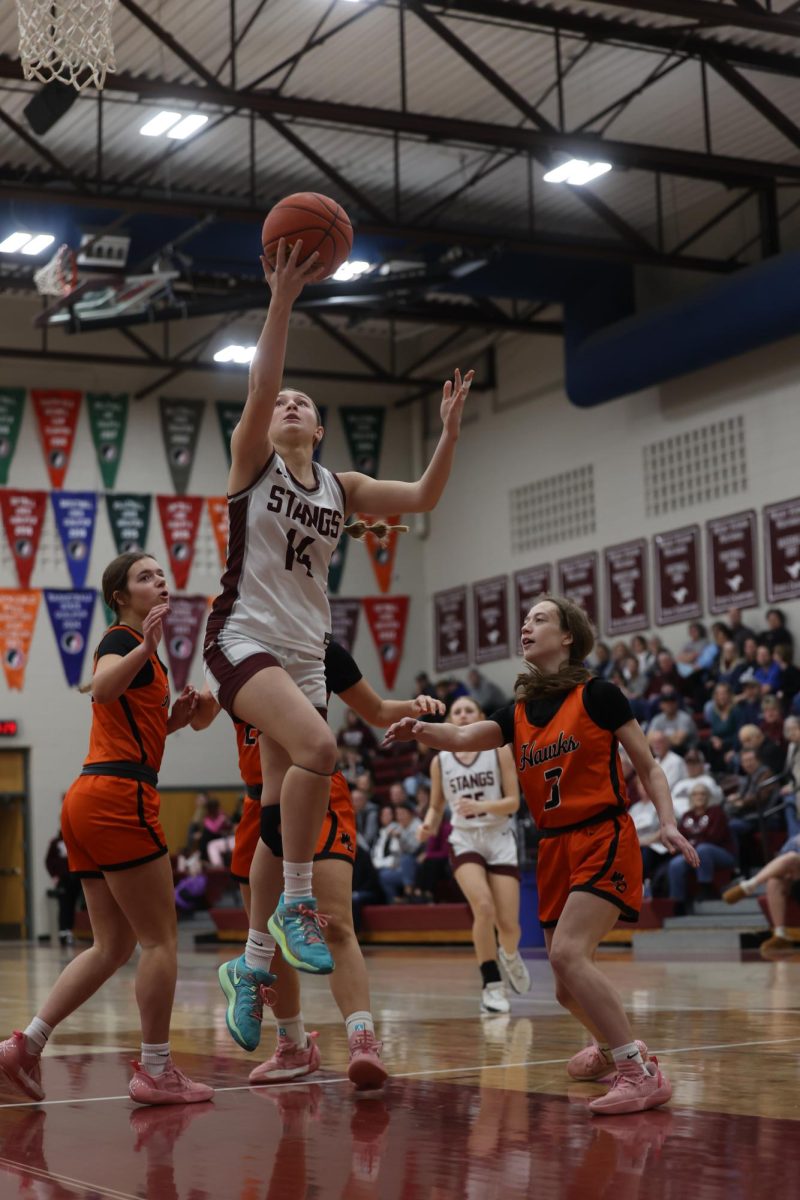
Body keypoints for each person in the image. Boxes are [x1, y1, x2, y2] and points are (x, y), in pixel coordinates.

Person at [201, 235, 472, 993]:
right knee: (322, 750)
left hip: (304, 655)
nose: (288, 403)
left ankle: (251, 966)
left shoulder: (339, 487)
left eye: (303, 405)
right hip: (242, 637)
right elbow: (260, 389)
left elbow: (420, 497)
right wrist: (282, 300)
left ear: (319, 431)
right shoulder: (251, 463)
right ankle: (294, 907)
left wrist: (447, 436)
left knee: (270, 808)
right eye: (284, 399)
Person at [384, 594, 698, 1115]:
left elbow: (649, 764)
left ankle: (636, 1071)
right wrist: (419, 730)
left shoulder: (599, 695)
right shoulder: (520, 712)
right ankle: (613, 1044)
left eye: (539, 618)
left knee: (567, 955)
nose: (526, 625)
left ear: (568, 635)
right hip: (554, 847)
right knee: (564, 985)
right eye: (525, 618)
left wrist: (666, 820)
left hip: (602, 834)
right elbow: (463, 734)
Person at [0, 552, 212, 1106]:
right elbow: (101, 689)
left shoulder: (145, 655)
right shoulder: (123, 640)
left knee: (111, 944)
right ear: (120, 595)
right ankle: (157, 1070)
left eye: (161, 574)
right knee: (160, 941)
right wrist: (144, 647)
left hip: (90, 797)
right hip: (119, 797)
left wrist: (178, 720)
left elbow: (133, 725)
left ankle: (25, 1045)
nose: (159, 581)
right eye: (145, 576)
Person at [192, 639, 443, 1087]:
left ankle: (362, 1039)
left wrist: (416, 705)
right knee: (272, 935)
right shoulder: (231, 646)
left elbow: (378, 709)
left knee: (334, 921)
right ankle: (292, 1046)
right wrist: (188, 705)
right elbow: (200, 718)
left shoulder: (320, 647)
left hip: (316, 790)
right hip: (259, 804)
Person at [419, 695, 529, 1015]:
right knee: (483, 906)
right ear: (450, 720)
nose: (464, 714)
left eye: (469, 709)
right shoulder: (440, 760)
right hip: (465, 839)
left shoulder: (498, 750)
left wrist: (480, 806)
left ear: (481, 715)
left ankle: (509, 955)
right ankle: (492, 984)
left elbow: (513, 802)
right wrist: (428, 824)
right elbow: (437, 805)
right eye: (457, 711)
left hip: (499, 836)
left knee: (510, 925)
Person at [723, 833, 800, 954]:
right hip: (796, 881)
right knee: (774, 881)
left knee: (792, 858)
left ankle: (749, 885)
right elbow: (780, 860)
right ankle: (780, 935)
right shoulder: (795, 839)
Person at [667, 784, 737, 912]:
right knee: (675, 864)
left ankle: (706, 887)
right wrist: (684, 846)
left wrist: (690, 845)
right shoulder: (687, 815)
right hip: (694, 852)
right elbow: (681, 838)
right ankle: (678, 903)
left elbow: (714, 837)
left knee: (703, 849)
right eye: (695, 794)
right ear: (690, 798)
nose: (699, 797)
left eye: (702, 794)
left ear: (709, 797)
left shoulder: (716, 812)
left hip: (721, 853)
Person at [45, 821, 82, 948]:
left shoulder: (74, 842)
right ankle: (62, 932)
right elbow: (49, 861)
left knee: (72, 905)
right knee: (64, 905)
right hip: (63, 880)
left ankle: (69, 931)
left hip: (75, 878)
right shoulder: (55, 844)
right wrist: (54, 876)